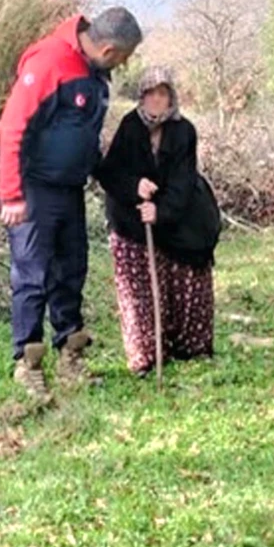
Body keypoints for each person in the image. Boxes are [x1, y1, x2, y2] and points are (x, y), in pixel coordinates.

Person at [0, 8, 143, 402]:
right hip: (34, 189)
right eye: (123, 58)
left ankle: (70, 356)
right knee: (32, 275)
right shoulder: (50, 62)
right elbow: (12, 127)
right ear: (109, 49)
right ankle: (27, 365)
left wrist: (126, 185)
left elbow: (84, 138)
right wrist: (11, 193)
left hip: (69, 189)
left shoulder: (94, 73)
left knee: (71, 270)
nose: (123, 66)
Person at [95, 66, 221, 376]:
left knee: (186, 277)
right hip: (131, 220)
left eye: (162, 94)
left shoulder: (184, 131)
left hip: (178, 218)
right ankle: (147, 355)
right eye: (150, 93)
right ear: (142, 96)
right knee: (140, 291)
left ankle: (188, 348)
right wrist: (134, 186)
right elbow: (109, 173)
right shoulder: (129, 126)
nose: (155, 100)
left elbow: (182, 181)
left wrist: (161, 212)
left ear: (171, 98)